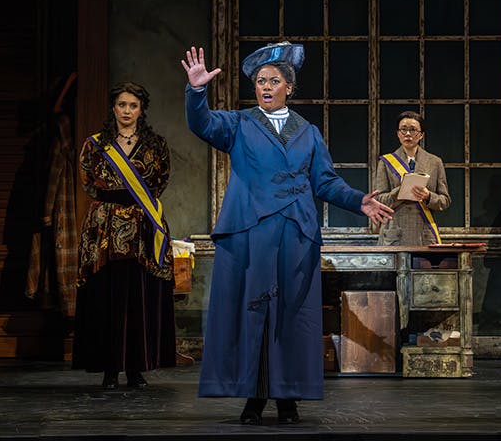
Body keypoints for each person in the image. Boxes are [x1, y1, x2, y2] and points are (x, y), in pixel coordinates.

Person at [181, 43, 393, 425]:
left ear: (288, 87)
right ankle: (253, 397)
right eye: (260, 81)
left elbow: (325, 181)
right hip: (251, 234)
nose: (265, 87)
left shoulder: (308, 133)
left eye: (273, 81)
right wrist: (197, 92)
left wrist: (359, 200)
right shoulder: (239, 124)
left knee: (292, 318)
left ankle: (288, 397)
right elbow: (202, 124)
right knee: (253, 315)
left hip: (296, 235)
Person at [72, 82, 177, 390]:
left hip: (143, 225)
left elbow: (160, 180)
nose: (127, 111)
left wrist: (136, 207)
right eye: (122, 105)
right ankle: (108, 369)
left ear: (141, 109)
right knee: (107, 296)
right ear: (113, 108)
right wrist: (112, 204)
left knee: (138, 297)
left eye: (133, 105)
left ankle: (136, 367)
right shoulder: (95, 144)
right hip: (103, 227)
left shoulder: (155, 144)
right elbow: (88, 182)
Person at [374, 111, 451, 245]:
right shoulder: (386, 162)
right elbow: (379, 200)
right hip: (394, 235)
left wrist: (428, 196)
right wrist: (400, 190)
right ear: (398, 134)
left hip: (424, 235)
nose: (408, 134)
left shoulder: (435, 162)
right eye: (403, 130)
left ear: (421, 135)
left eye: (413, 130)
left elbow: (444, 201)